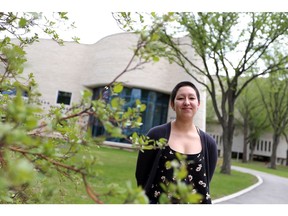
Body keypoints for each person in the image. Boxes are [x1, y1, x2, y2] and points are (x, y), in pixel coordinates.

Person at [135, 81, 218, 204]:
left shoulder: (209, 144)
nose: (186, 102)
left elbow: (206, 181)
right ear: (172, 105)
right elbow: (141, 176)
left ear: (198, 104)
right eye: (180, 98)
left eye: (191, 98)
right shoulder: (156, 135)